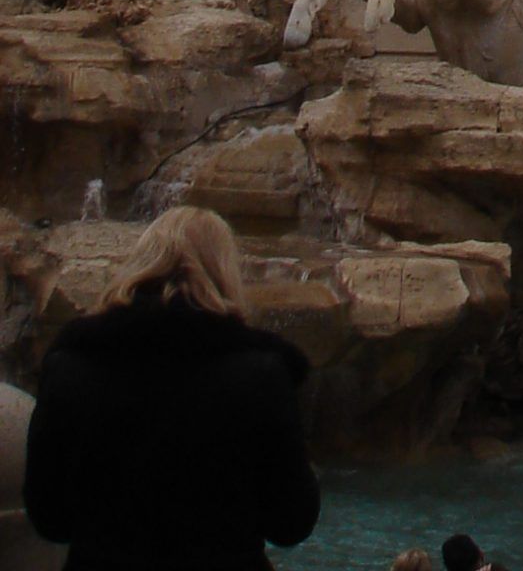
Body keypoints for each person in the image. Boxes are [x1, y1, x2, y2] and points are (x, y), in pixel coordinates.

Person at [24, 204, 319, 571]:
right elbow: (291, 524)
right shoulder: (262, 374)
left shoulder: (71, 367)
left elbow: (48, 518)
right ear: (225, 271)